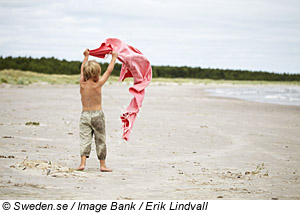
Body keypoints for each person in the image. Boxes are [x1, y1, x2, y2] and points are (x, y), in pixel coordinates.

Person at [77, 48, 118, 172]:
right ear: (97, 74)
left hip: (84, 115)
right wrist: (114, 58)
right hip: (97, 116)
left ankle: (82, 163)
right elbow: (109, 71)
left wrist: (86, 57)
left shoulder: (82, 83)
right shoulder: (98, 84)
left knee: (85, 139)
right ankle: (102, 165)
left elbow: (82, 70)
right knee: (100, 140)